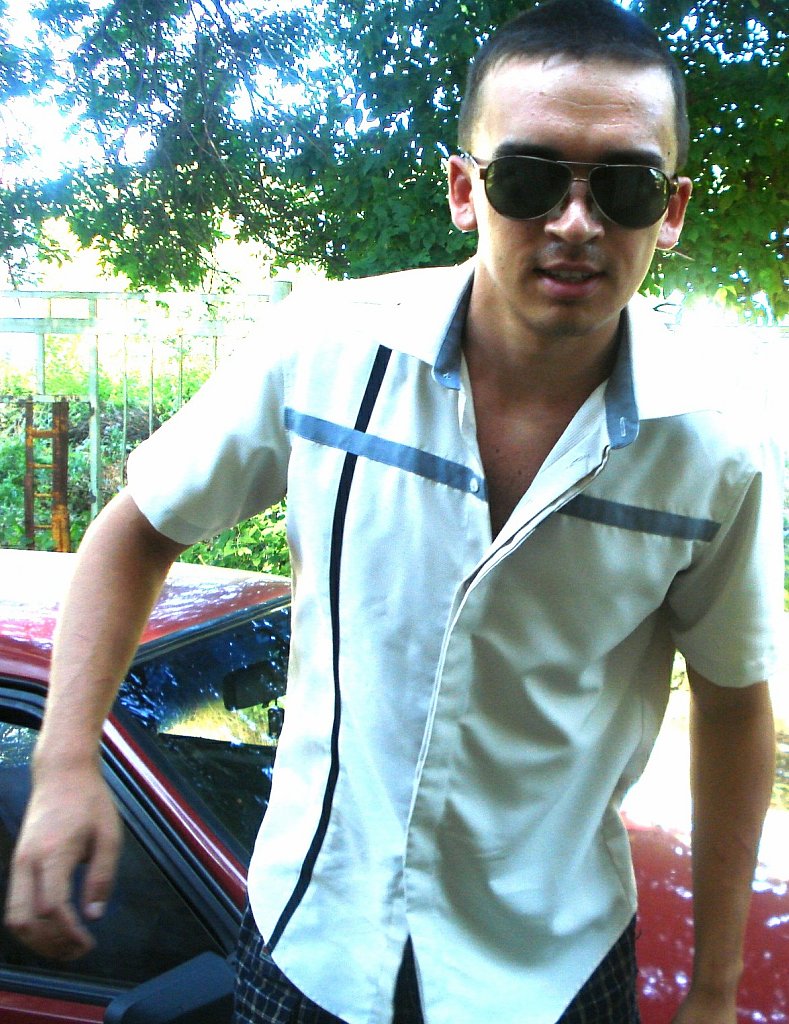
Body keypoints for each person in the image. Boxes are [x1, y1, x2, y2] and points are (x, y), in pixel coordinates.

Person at [5, 0, 783, 1022]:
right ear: (465, 189)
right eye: (528, 177)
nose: (575, 222)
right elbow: (139, 527)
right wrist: (66, 758)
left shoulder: (710, 453)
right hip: (312, 942)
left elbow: (731, 703)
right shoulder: (326, 352)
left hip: (550, 968)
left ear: (669, 210)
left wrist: (714, 992)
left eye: (624, 186)